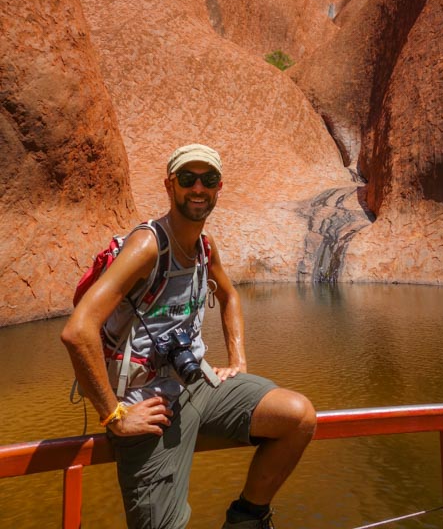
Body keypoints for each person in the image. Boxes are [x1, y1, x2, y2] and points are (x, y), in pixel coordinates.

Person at [61, 143, 316, 529]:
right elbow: (78, 331)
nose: (198, 188)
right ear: (170, 186)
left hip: (197, 383)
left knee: (297, 418)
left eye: (208, 180)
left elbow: (229, 295)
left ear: (218, 187)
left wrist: (238, 362)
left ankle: (246, 517)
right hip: (146, 405)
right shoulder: (148, 245)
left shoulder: (204, 247)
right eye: (188, 179)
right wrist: (114, 414)